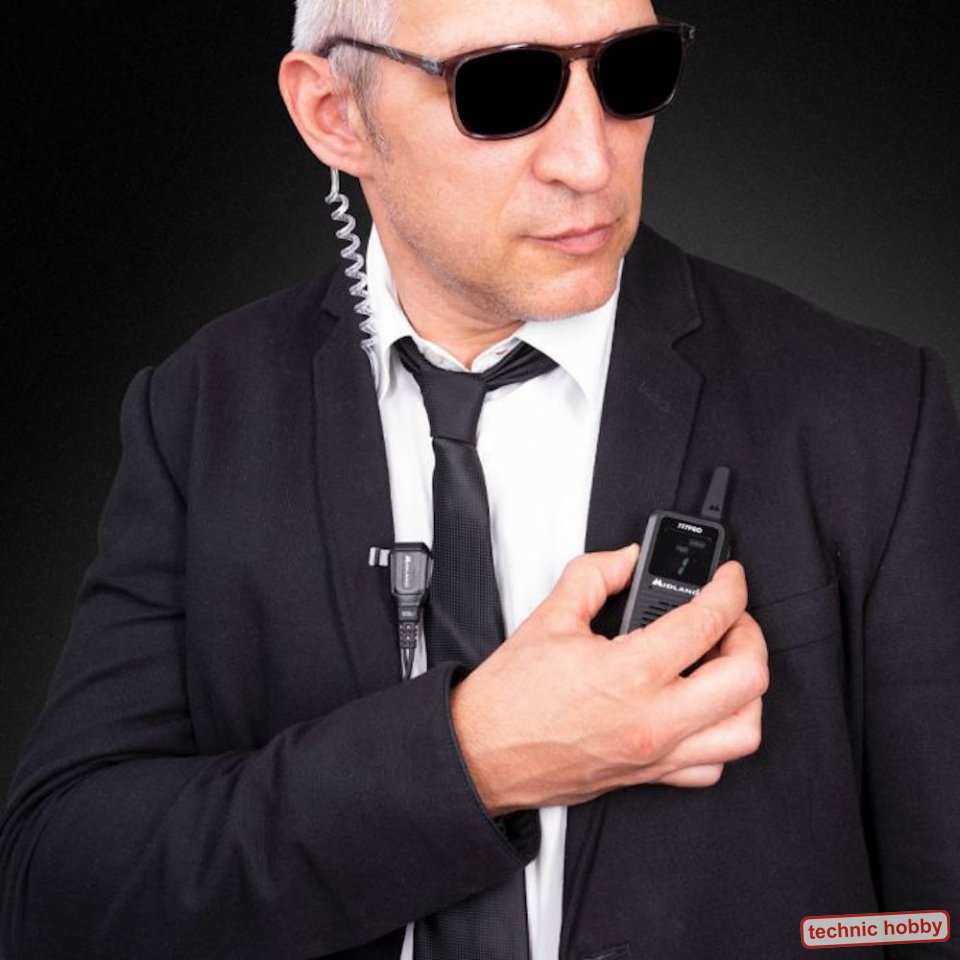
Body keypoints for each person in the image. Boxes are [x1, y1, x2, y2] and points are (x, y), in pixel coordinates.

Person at [1, 0, 958, 956]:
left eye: (631, 72)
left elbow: (936, 914)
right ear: (335, 114)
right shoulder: (200, 410)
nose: (590, 160)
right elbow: (58, 886)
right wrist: (473, 757)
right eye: (504, 87)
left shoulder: (870, 410)